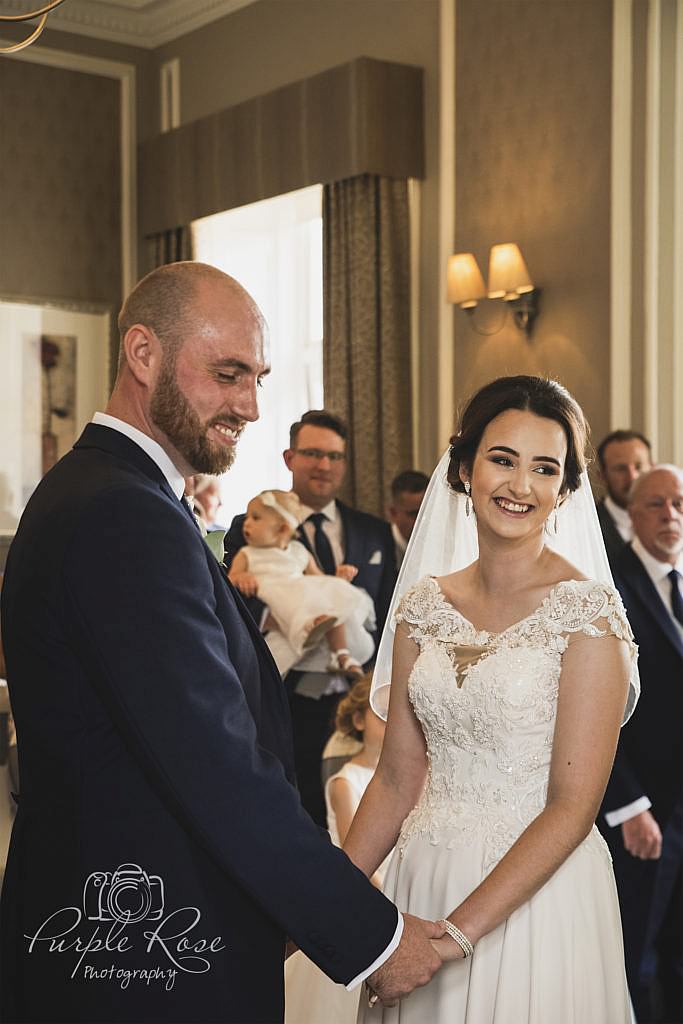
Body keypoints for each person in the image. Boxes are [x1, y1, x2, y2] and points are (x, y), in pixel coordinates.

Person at [0, 262, 444, 1023]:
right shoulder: (122, 514)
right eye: (228, 374)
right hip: (139, 953)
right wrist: (371, 937)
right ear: (143, 355)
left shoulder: (115, 494)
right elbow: (214, 760)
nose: (250, 404)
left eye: (258, 377)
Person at [342, 375, 640, 1023]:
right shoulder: (422, 607)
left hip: (536, 898)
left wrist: (451, 937)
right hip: (421, 880)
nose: (519, 486)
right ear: (463, 468)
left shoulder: (587, 614)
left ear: (563, 490)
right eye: (502, 459)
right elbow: (395, 779)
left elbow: (571, 807)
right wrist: (322, 901)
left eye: (544, 469)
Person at [225, 410, 397, 826]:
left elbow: (391, 607)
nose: (324, 465)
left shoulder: (373, 531)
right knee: (291, 809)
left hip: (358, 697)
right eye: (313, 453)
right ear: (289, 458)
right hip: (287, 694)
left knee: (361, 811)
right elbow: (234, 604)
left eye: (335, 456)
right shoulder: (251, 527)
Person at [600, 465, 683, 1023]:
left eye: (679, 503)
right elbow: (594, 709)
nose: (671, 516)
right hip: (644, 812)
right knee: (635, 953)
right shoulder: (610, 586)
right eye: (656, 504)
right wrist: (627, 805)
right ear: (630, 513)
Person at [285, 674, 391, 1024]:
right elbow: (355, 851)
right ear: (359, 720)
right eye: (380, 715)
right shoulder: (346, 781)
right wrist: (389, 896)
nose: (390, 725)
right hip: (369, 890)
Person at [228, 489, 374, 676]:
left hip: (299, 592)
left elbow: (319, 579)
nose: (246, 523)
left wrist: (337, 578)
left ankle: (341, 655)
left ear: (282, 529)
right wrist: (241, 577)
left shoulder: (299, 551)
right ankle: (309, 629)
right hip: (275, 597)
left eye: (255, 518)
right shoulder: (247, 553)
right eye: (247, 517)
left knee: (331, 603)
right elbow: (230, 580)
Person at [596, 429, 653, 563]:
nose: (632, 477)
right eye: (621, 469)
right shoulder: (588, 526)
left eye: (638, 466)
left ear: (652, 468)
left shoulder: (671, 518)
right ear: (602, 476)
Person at [386, 470, 429, 568]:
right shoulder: (373, 547)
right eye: (414, 514)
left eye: (426, 513)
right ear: (393, 513)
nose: (422, 521)